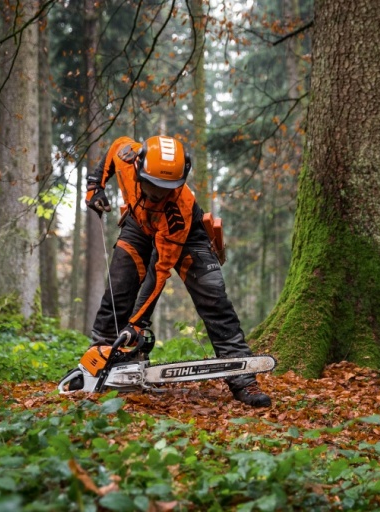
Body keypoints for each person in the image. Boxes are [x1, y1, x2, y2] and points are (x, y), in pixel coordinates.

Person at [83, 134, 271, 407]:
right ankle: (96, 367)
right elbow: (113, 150)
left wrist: (137, 324)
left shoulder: (177, 211)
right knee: (118, 289)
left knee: (214, 298)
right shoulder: (128, 155)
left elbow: (158, 273)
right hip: (138, 224)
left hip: (186, 237)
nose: (159, 194)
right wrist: (94, 186)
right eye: (153, 186)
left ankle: (244, 380)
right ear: (138, 167)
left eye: (166, 188)